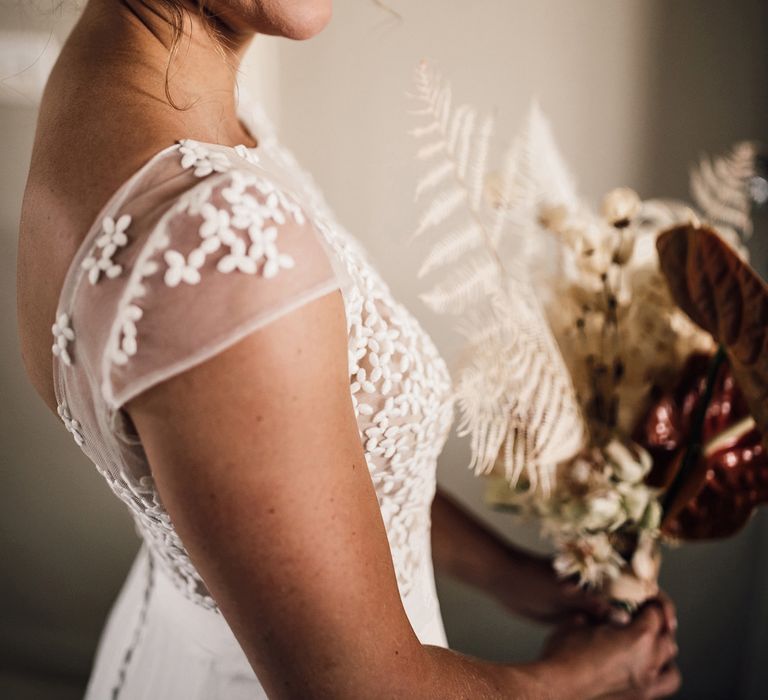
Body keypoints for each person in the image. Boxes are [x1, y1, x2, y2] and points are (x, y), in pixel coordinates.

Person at [16, 1, 681, 697]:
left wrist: (511, 575)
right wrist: (590, 676)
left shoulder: (123, 93)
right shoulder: (221, 242)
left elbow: (318, 462)